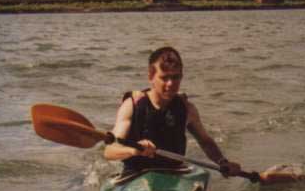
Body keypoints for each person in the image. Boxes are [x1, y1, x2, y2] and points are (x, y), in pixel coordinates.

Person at [104, 46, 242, 177]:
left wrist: (223, 162)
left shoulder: (187, 108)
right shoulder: (132, 106)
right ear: (151, 77)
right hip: (135, 173)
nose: (170, 83)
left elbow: (206, 142)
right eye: (164, 78)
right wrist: (133, 150)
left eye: (175, 77)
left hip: (174, 173)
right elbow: (109, 151)